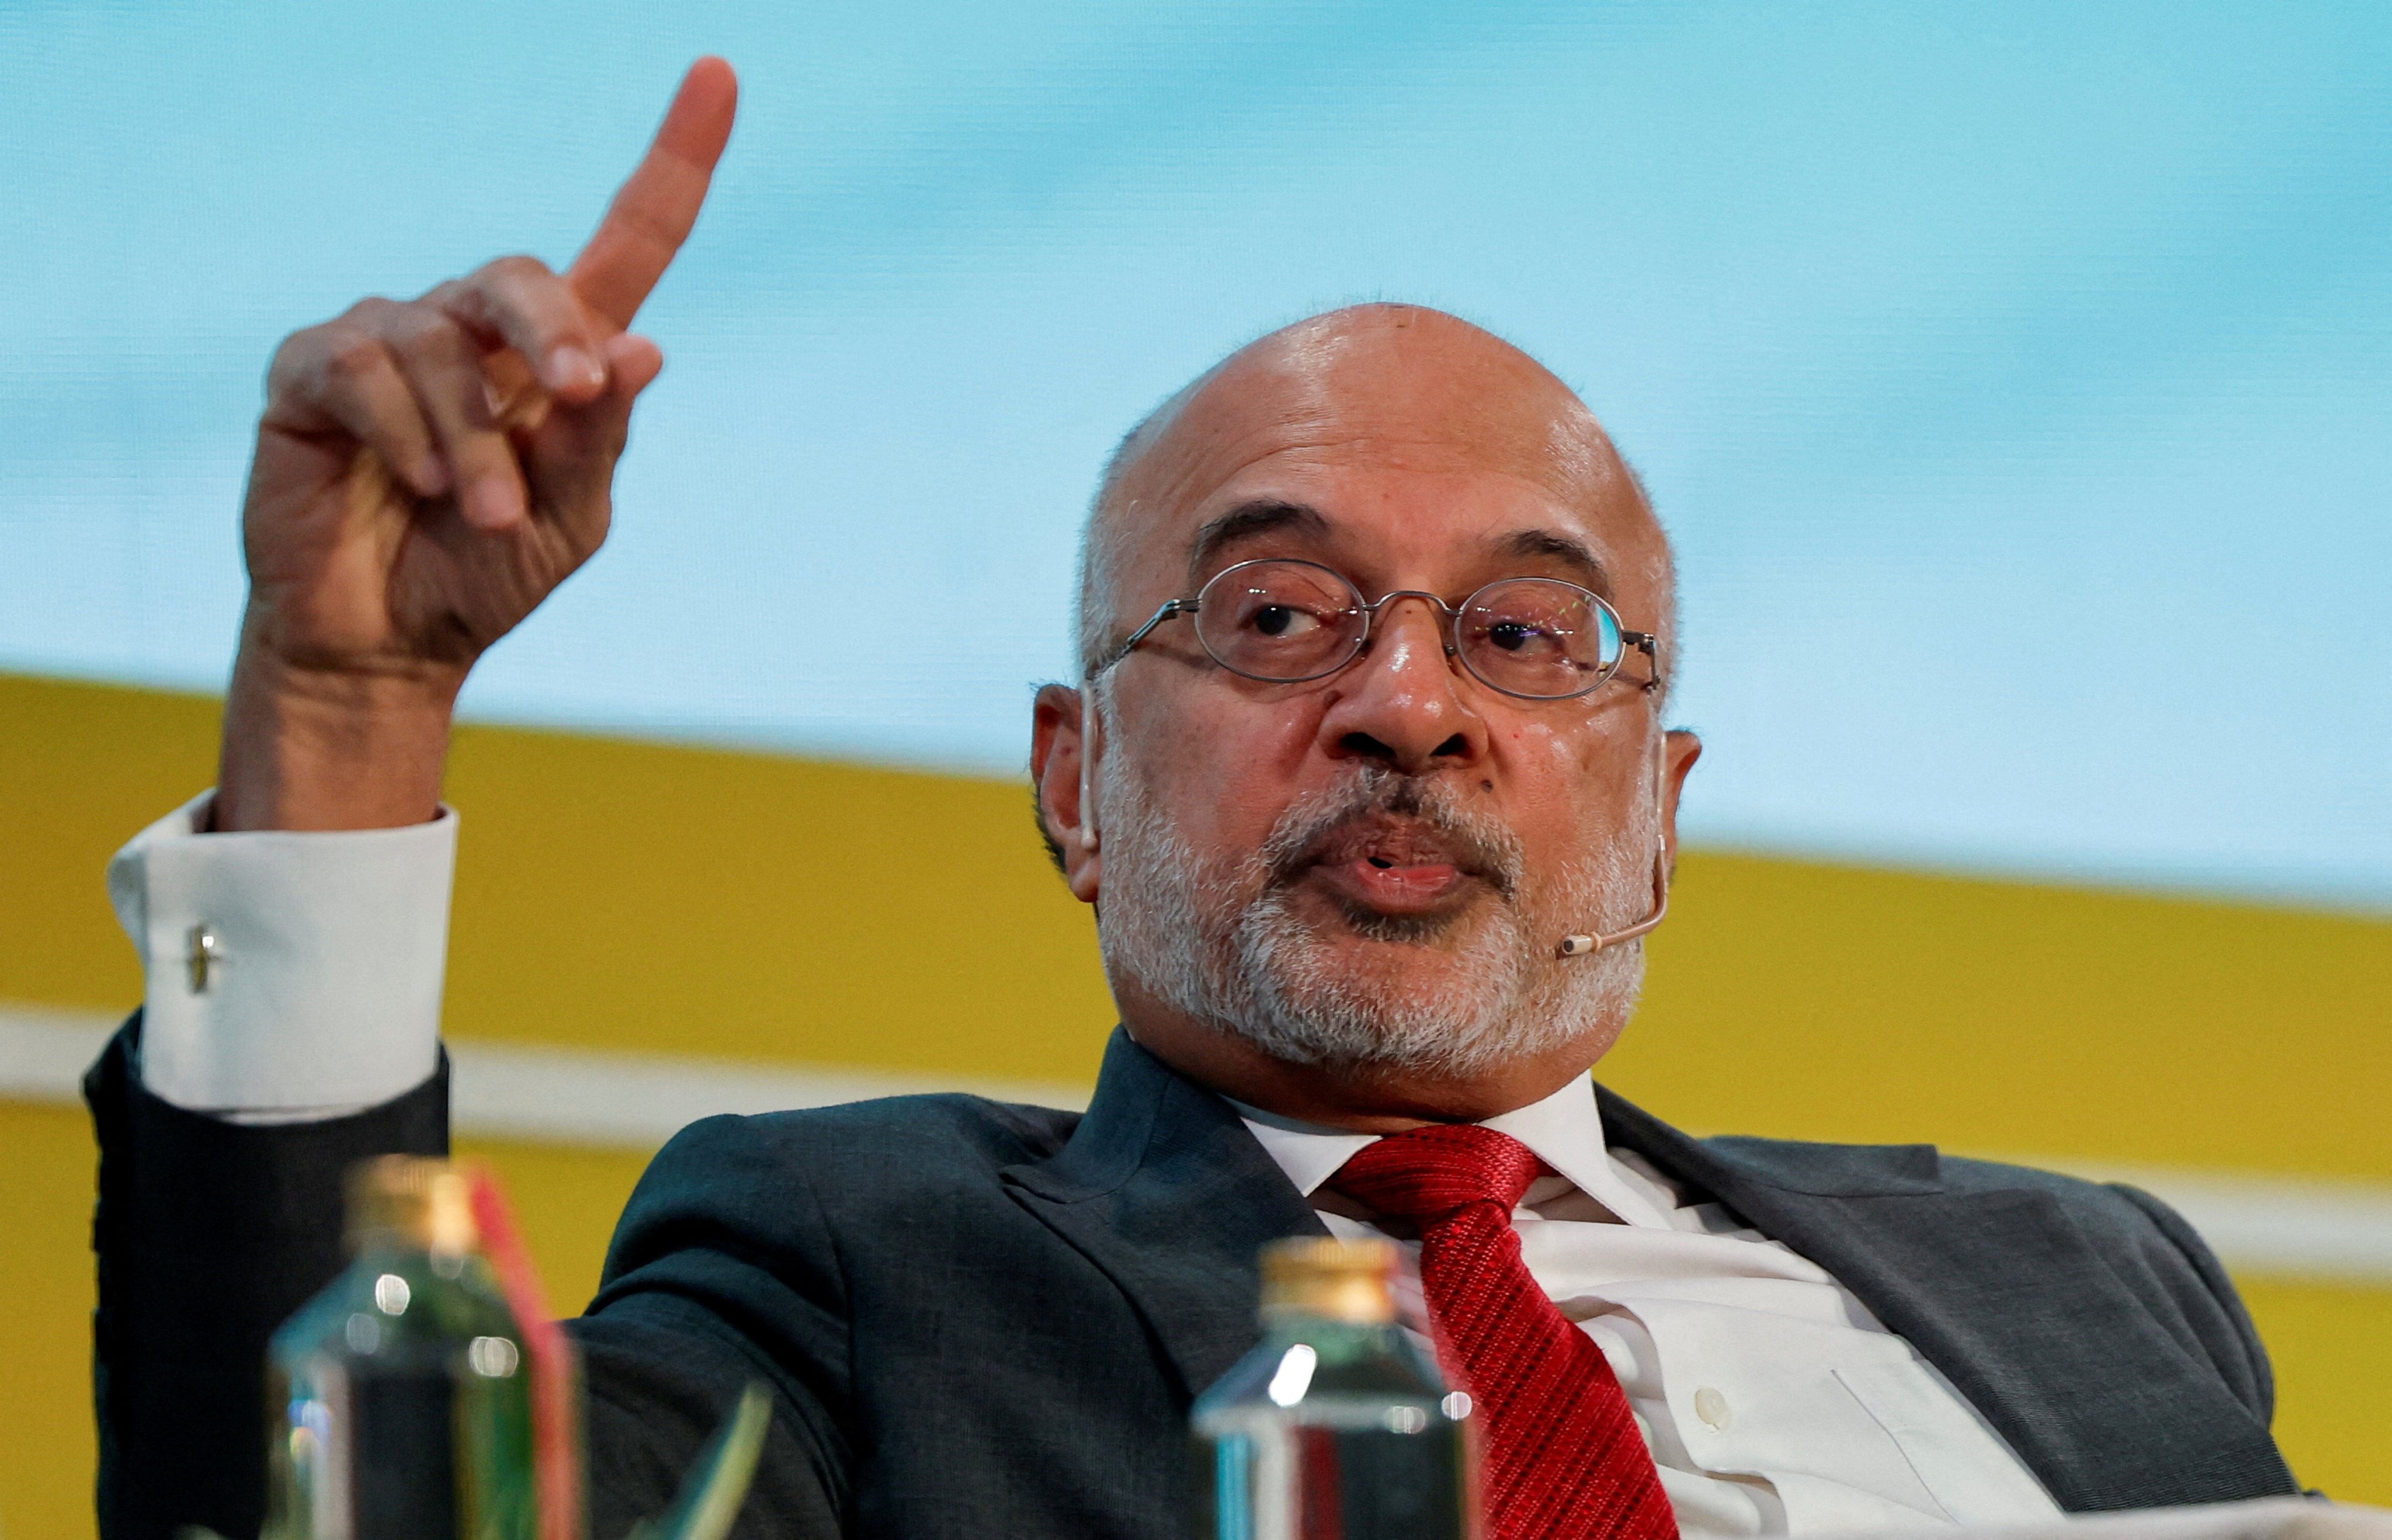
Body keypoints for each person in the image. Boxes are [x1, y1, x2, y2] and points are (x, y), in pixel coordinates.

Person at [85, 58, 2300, 1540]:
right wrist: (348, 702)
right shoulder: (862, 1265)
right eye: (1274, 614)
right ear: (1074, 784)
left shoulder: (2081, 1267)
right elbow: (327, 1508)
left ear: (1662, 813)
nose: (1409, 706)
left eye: (1527, 638)